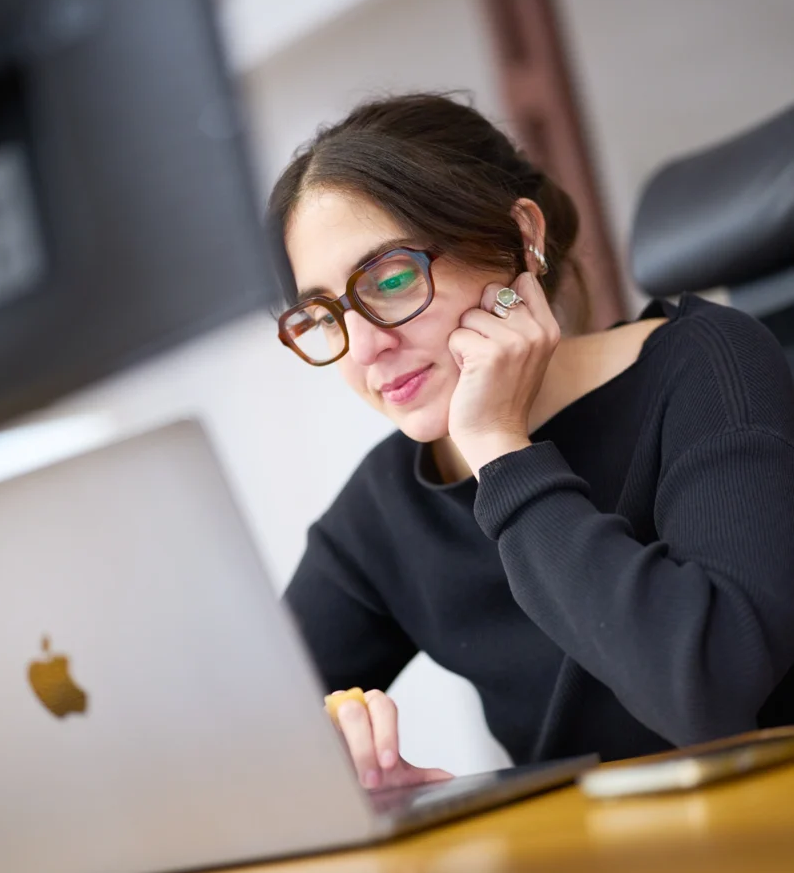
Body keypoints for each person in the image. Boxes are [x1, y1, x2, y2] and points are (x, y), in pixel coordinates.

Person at [269, 92, 794, 791]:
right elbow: (250, 735)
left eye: (391, 279)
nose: (364, 347)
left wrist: (498, 448)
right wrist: (347, 786)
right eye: (322, 314)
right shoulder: (385, 504)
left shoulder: (707, 365)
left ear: (519, 238)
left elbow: (707, 692)